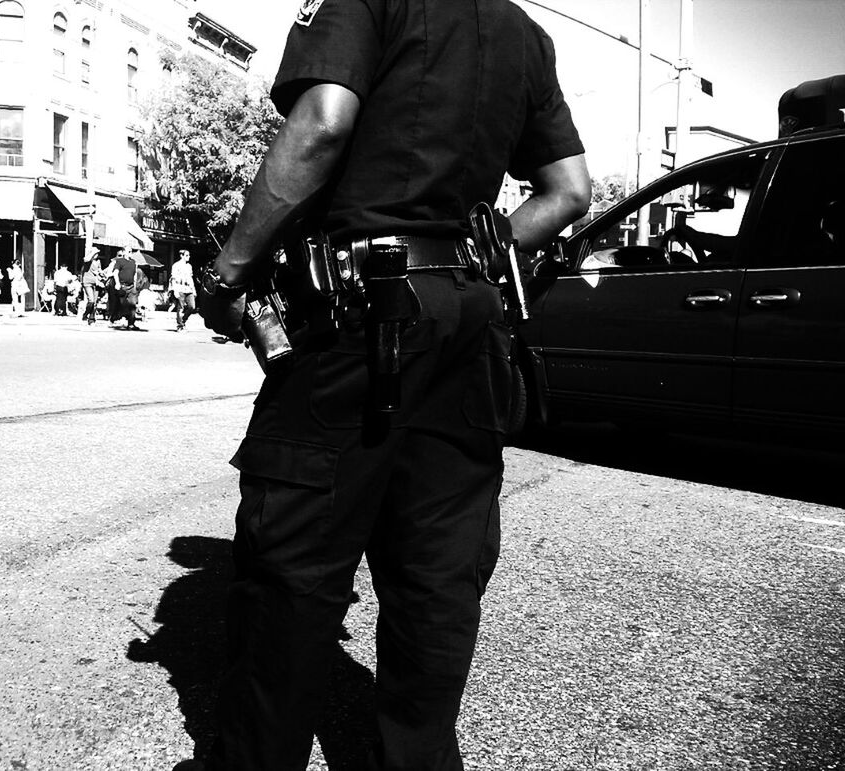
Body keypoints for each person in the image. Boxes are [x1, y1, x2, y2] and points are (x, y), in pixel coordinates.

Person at [194, 3, 590, 770]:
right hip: (467, 324)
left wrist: (230, 271)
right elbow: (569, 189)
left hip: (359, 316)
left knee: (294, 564)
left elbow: (323, 122)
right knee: (438, 570)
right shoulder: (524, 34)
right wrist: (468, 258)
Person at [109, 247, 139, 329]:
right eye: (128, 251)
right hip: (122, 285)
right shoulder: (119, 261)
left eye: (131, 251)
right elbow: (115, 272)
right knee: (121, 305)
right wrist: (117, 283)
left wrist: (135, 285)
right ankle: (113, 319)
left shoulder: (134, 262)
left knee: (133, 304)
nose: (130, 253)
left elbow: (135, 274)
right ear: (124, 252)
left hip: (131, 286)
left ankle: (131, 323)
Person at [169, 249, 197, 331]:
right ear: (181, 256)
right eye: (187, 255)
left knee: (192, 306)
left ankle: (183, 320)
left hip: (188, 288)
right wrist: (175, 290)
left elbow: (191, 278)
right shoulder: (176, 265)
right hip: (180, 287)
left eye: (189, 255)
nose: (189, 257)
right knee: (180, 307)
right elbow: (173, 279)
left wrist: (193, 289)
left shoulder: (189, 266)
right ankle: (180, 325)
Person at [80, 249, 105, 325]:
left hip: (96, 282)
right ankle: (85, 314)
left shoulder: (98, 261)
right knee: (91, 300)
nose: (97, 255)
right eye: (96, 253)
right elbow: (86, 259)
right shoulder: (88, 260)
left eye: (97, 253)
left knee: (95, 302)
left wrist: (102, 273)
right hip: (87, 281)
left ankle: (91, 319)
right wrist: (92, 253)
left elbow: (99, 270)